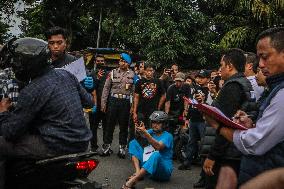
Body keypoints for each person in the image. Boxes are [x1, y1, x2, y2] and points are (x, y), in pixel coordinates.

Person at [0, 37, 94, 188]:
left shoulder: (32, 90)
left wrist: (3, 112)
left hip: (56, 145)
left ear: (26, 64)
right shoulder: (66, 75)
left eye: (16, 62)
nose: (14, 66)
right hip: (83, 142)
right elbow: (89, 102)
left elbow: (11, 131)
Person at [204, 27, 284, 185]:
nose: (260, 65)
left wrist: (218, 127)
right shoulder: (273, 87)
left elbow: (256, 143)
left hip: (260, 174)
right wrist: (252, 124)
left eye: (265, 57)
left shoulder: (281, 92)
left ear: (229, 66)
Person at [202, 48, 256, 189]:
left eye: (221, 65)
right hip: (236, 150)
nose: (220, 69)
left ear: (230, 65)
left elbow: (225, 123)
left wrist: (212, 156)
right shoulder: (244, 82)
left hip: (227, 155)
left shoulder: (232, 86)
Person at [123, 111, 173, 189]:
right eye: (153, 122)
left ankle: (134, 180)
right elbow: (140, 136)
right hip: (149, 169)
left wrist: (146, 133)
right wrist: (139, 129)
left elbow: (158, 146)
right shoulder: (151, 131)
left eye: (158, 123)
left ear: (164, 124)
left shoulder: (168, 136)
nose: (155, 125)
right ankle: (138, 172)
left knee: (156, 154)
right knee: (133, 143)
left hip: (163, 172)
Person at [101, 53, 135, 158]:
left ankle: (122, 148)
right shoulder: (112, 73)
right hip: (113, 101)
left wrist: (133, 106)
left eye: (124, 61)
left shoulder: (133, 75)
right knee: (109, 125)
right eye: (121, 61)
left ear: (128, 63)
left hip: (125, 102)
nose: (122, 63)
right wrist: (104, 103)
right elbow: (106, 88)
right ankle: (106, 147)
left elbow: (134, 92)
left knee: (123, 126)